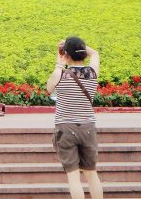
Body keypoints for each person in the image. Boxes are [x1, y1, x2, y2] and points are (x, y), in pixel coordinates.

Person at [46, 37, 103, 199]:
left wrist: (59, 62)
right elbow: (95, 54)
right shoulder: (93, 73)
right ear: (84, 53)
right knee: (92, 174)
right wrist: (79, 46)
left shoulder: (61, 75)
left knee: (73, 177)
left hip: (65, 128)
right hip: (88, 127)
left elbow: (49, 89)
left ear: (66, 54)